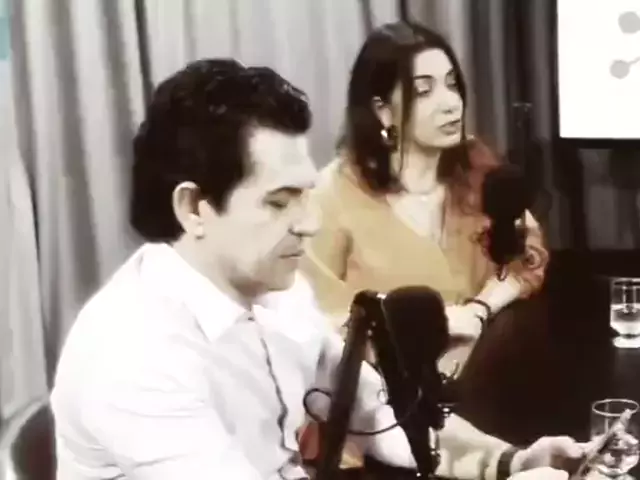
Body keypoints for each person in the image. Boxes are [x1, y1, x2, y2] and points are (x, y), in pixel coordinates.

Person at [51, 58, 578, 480]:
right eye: (280, 202)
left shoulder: (278, 294)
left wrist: (510, 461)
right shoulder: (133, 357)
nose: (309, 223)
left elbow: (380, 413)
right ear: (194, 208)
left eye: (306, 195)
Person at [300, 21, 549, 378]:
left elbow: (528, 257)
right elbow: (312, 322)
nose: (451, 104)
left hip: (483, 377)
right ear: (383, 110)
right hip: (382, 395)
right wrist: (433, 326)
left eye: (452, 84)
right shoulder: (332, 195)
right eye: (424, 91)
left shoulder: (476, 167)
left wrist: (479, 309)